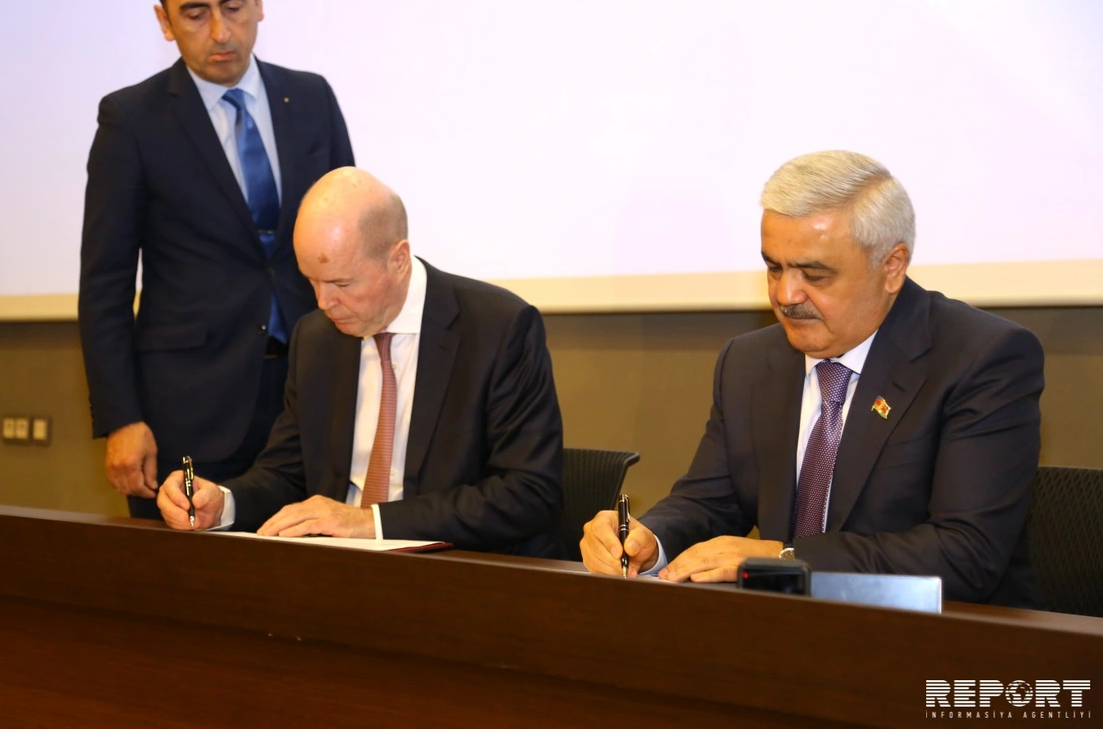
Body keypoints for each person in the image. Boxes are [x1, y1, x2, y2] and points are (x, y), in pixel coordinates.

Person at [581, 150, 1044, 607]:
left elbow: (965, 554)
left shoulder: (980, 359)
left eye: (814, 275)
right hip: (784, 632)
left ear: (892, 267)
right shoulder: (750, 361)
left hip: (941, 637)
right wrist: (650, 540)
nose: (785, 295)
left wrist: (783, 558)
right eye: (774, 267)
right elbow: (709, 502)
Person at [79, 0, 354, 518]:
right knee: (189, 572)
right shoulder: (131, 120)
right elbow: (104, 286)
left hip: (314, 400)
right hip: (189, 411)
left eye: (233, 6)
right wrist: (122, 419)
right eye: (195, 14)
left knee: (317, 565)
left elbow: (353, 240)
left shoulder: (311, 99)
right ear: (164, 21)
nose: (222, 32)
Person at [158, 167, 565, 557]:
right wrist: (223, 503)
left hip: (461, 570)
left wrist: (370, 523)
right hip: (337, 570)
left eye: (342, 283)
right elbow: (287, 473)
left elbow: (528, 491)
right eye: (311, 281)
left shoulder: (497, 328)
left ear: (398, 260)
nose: (324, 302)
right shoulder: (316, 338)